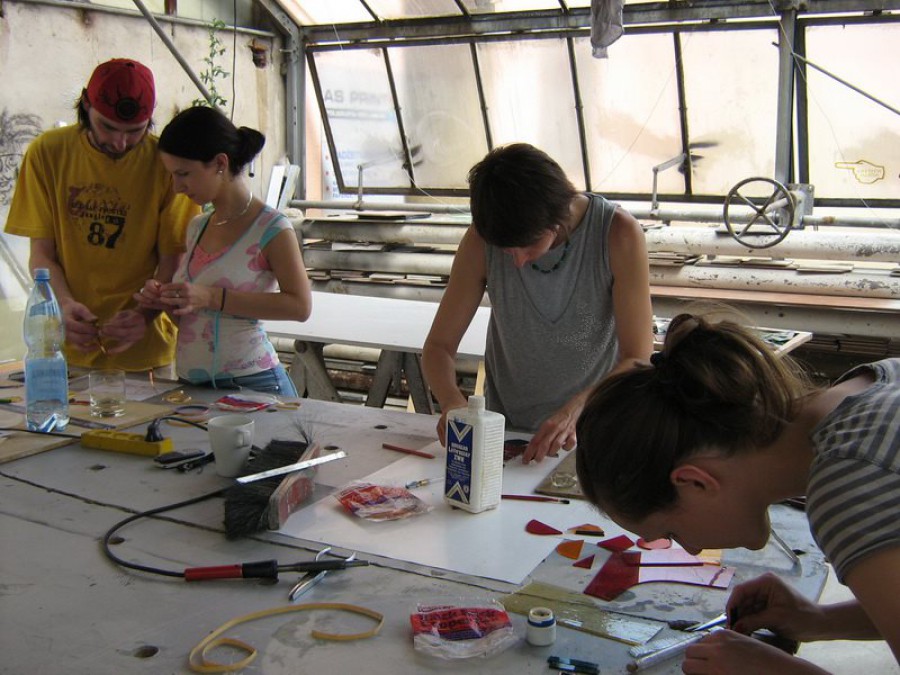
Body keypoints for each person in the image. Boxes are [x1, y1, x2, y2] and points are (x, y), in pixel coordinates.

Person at [575, 313, 900, 674]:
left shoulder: (850, 485)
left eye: (673, 533)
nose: (692, 550)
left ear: (695, 482)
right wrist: (819, 620)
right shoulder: (869, 387)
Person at [422, 143, 653, 463]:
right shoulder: (481, 241)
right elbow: (439, 347)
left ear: (557, 217)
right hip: (508, 433)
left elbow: (638, 358)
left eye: (527, 246)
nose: (517, 262)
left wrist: (576, 409)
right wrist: (452, 402)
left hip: (596, 432)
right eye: (507, 251)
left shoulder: (617, 234)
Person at [4, 58, 199, 374]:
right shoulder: (47, 153)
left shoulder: (165, 165)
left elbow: (174, 262)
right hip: (67, 348)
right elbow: (41, 255)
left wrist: (144, 315)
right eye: (108, 127)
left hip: (145, 350)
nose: (120, 143)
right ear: (85, 104)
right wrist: (63, 306)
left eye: (134, 132)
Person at [135, 106, 311, 395]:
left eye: (183, 174)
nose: (177, 187)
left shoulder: (272, 228)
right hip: (194, 384)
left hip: (253, 384)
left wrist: (211, 296)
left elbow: (300, 306)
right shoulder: (198, 226)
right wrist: (167, 300)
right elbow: (195, 320)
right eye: (172, 176)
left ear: (220, 163)